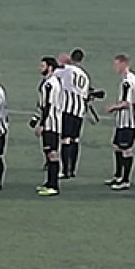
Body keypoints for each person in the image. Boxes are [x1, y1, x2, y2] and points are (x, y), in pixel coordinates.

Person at [105, 54, 135, 190]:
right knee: (116, 146)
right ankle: (118, 176)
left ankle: (125, 180)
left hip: (129, 122)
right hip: (122, 121)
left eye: (116, 64)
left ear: (124, 64)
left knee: (126, 150)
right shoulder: (126, 79)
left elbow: (127, 103)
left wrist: (113, 107)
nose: (114, 67)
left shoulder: (128, 81)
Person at [56, 49, 92, 179]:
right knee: (75, 140)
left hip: (67, 109)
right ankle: (73, 169)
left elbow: (52, 74)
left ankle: (65, 170)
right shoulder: (85, 76)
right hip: (79, 111)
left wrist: (60, 63)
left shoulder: (67, 70)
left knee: (65, 140)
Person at [32, 56, 65, 196]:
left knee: (52, 154)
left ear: (50, 67)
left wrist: (42, 124)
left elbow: (48, 105)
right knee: (49, 153)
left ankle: (54, 186)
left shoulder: (50, 84)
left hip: (51, 124)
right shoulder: (48, 82)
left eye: (42, 65)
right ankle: (49, 182)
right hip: (51, 123)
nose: (40, 68)